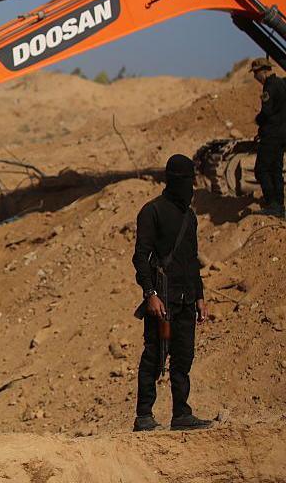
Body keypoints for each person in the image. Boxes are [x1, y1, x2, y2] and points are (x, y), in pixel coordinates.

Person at [130, 154, 212, 432]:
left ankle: (181, 413)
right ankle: (144, 415)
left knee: (183, 357)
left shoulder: (189, 216)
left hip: (186, 299)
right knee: (155, 355)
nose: (190, 187)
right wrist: (150, 293)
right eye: (186, 181)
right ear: (175, 181)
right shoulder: (151, 211)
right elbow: (141, 257)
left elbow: (191, 259)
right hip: (162, 299)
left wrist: (199, 296)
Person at [251, 58, 285, 218]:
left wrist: (259, 121)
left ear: (263, 71)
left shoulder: (270, 87)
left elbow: (267, 112)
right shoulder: (281, 83)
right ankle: (279, 204)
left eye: (255, 73)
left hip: (272, 135)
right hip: (281, 134)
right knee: (275, 169)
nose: (254, 78)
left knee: (262, 169)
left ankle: (272, 203)